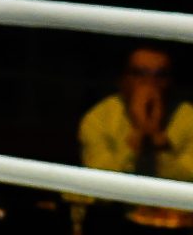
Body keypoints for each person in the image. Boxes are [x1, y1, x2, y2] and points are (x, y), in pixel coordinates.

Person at [79, 44, 193, 181]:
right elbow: (99, 180)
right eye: (139, 74)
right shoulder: (99, 117)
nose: (150, 83)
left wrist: (158, 138)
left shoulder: (188, 117)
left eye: (160, 75)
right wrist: (137, 135)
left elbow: (188, 179)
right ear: (123, 80)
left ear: (170, 82)